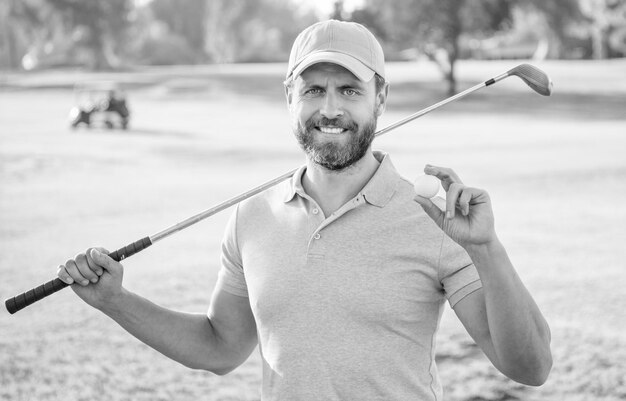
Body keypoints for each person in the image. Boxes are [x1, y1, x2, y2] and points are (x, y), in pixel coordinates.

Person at [58, 20, 552, 400]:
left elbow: (529, 367)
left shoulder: (434, 217)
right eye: (314, 89)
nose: (331, 110)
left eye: (350, 90)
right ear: (289, 98)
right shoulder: (251, 217)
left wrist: (487, 250)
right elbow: (218, 348)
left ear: (381, 98)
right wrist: (115, 301)